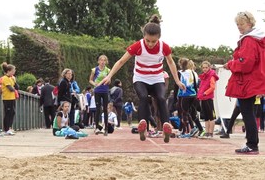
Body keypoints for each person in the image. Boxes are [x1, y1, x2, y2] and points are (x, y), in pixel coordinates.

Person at [98, 14, 186, 143]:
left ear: (159, 38)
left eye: (153, 41)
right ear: (144, 36)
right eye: (147, 40)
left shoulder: (164, 47)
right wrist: (109, 75)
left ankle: (166, 125)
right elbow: (121, 61)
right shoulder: (138, 46)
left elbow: (171, 63)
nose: (150, 44)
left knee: (161, 98)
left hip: (157, 77)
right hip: (141, 77)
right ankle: (142, 124)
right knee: (143, 97)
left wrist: (177, 81)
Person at [224, 11, 265, 154]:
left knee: (247, 113)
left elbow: (246, 64)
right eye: (237, 24)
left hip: (248, 82)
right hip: (255, 80)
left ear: (249, 23)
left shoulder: (249, 40)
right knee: (249, 113)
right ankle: (252, 144)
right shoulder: (258, 39)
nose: (239, 27)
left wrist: (231, 64)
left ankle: (252, 144)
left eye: (241, 24)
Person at [89, 54, 110, 136]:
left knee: (105, 109)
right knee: (98, 109)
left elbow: (110, 81)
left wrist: (107, 81)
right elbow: (90, 80)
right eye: (101, 60)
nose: (102, 62)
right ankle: (97, 127)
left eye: (104, 60)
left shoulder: (108, 70)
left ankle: (106, 128)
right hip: (97, 91)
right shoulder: (94, 70)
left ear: (106, 62)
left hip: (105, 91)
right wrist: (95, 83)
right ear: (98, 61)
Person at [197, 61, 219, 138]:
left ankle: (210, 133)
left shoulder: (211, 76)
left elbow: (212, 87)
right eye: (203, 68)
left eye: (206, 67)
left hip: (208, 98)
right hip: (203, 98)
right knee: (205, 117)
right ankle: (206, 132)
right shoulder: (203, 77)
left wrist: (205, 93)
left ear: (209, 67)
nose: (205, 69)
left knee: (210, 116)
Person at [1, 62, 18, 135]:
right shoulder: (5, 78)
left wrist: (14, 80)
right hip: (7, 98)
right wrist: (14, 88)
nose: (14, 72)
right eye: (13, 71)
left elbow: (17, 87)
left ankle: (10, 127)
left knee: (12, 112)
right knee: (8, 113)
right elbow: (11, 89)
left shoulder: (12, 78)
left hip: (12, 98)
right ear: (8, 71)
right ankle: (6, 129)